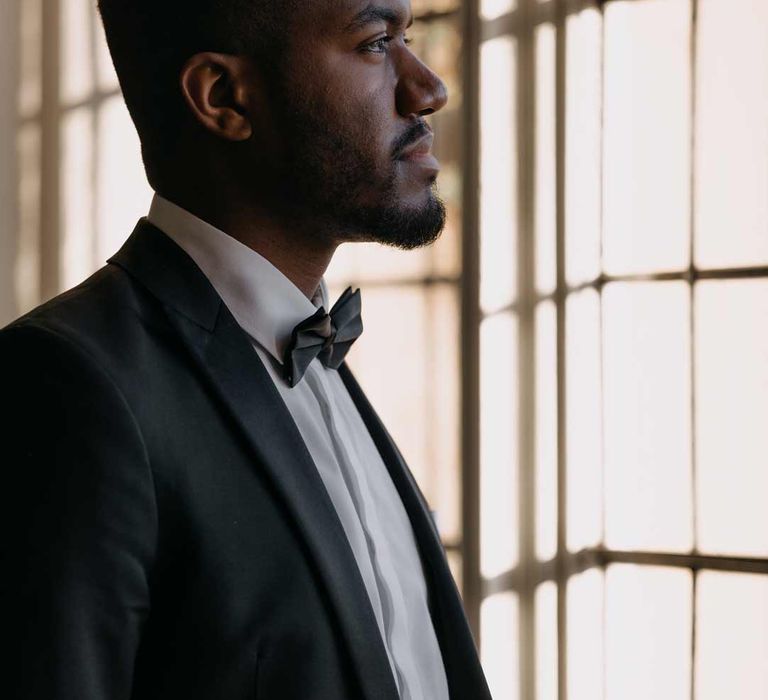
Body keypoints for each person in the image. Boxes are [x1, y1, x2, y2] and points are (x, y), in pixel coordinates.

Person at [0, 0, 492, 698]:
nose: (428, 87)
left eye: (406, 37)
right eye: (377, 43)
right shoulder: (64, 386)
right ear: (224, 98)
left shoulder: (317, 349)